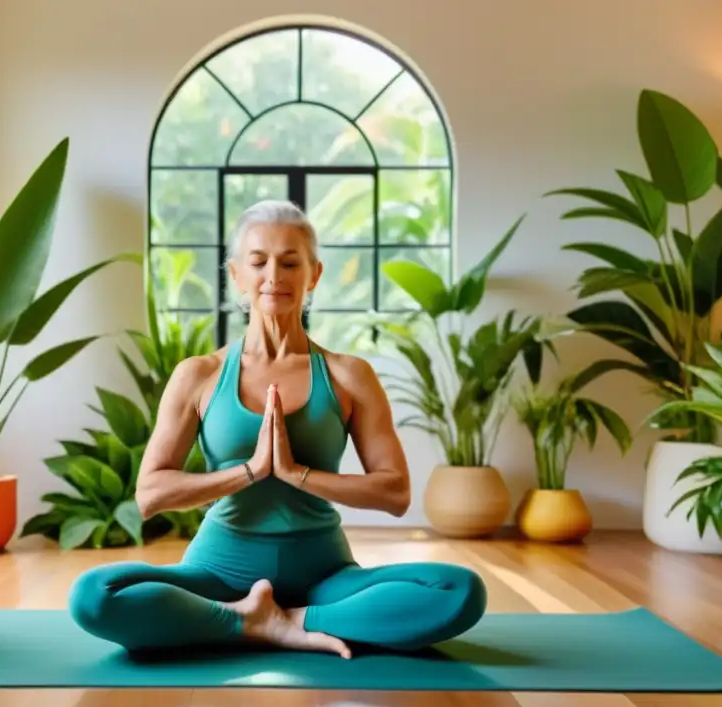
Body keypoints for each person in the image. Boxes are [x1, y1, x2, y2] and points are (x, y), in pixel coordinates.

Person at [67, 200, 488, 659]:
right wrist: (251, 471)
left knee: (459, 590)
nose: (275, 275)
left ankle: (285, 621)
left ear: (314, 274)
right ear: (235, 274)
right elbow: (150, 494)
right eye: (258, 261)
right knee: (94, 595)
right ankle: (241, 618)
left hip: (323, 578)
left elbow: (394, 492)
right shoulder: (199, 374)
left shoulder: (349, 375)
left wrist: (296, 473)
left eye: (291, 262)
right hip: (217, 574)